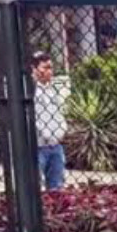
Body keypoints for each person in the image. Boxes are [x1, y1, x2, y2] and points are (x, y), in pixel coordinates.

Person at [31, 52, 67, 191]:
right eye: (45, 68)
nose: (49, 71)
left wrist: (62, 130)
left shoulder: (53, 89)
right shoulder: (31, 90)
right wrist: (46, 134)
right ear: (34, 69)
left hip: (55, 145)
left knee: (56, 186)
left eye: (51, 67)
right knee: (35, 186)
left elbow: (58, 113)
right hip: (38, 146)